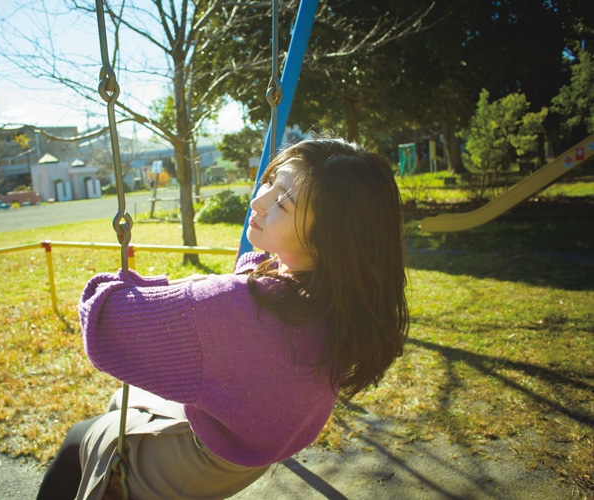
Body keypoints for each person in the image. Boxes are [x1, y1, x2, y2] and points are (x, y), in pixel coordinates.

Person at [36, 136, 409, 500]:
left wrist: (185, 286)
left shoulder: (234, 307)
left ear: (329, 236)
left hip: (199, 462)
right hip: (254, 450)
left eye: (283, 201)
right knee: (122, 400)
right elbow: (253, 280)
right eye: (270, 182)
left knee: (77, 439)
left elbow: (101, 320)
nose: (258, 200)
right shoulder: (342, 302)